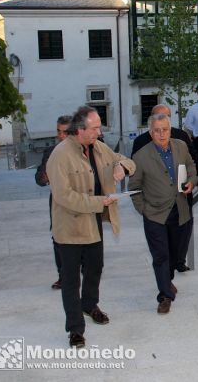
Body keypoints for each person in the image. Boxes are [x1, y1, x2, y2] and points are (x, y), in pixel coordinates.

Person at [46, 106, 135, 348]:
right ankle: (75, 329)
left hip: (94, 223)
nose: (99, 131)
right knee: (71, 280)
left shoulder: (99, 147)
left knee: (95, 269)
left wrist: (121, 167)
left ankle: (89, 305)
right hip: (70, 228)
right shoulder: (60, 155)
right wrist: (99, 202)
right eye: (95, 128)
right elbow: (64, 196)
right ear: (81, 129)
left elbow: (128, 161)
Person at [129, 113, 198, 314]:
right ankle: (165, 295)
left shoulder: (181, 146)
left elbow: (192, 167)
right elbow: (133, 187)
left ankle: (167, 281)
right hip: (155, 214)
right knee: (160, 256)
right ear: (150, 133)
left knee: (176, 255)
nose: (161, 134)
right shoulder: (140, 156)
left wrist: (192, 181)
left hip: (180, 210)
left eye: (165, 129)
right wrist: (144, 210)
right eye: (157, 130)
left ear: (170, 129)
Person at [132, 104, 198, 272]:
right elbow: (134, 174)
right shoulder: (141, 143)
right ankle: (167, 277)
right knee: (161, 248)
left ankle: (178, 260)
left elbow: (192, 156)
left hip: (182, 196)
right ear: (151, 123)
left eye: (166, 119)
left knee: (182, 234)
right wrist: (144, 209)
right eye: (158, 119)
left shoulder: (181, 137)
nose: (162, 132)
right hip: (157, 203)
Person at [35, 114, 72, 290]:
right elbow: (39, 179)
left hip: (79, 202)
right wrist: (45, 176)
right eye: (58, 131)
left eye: (65, 132)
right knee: (58, 239)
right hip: (57, 203)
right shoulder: (50, 152)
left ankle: (79, 271)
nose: (61, 136)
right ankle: (63, 275)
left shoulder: (83, 151)